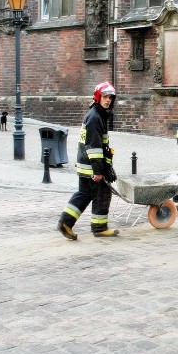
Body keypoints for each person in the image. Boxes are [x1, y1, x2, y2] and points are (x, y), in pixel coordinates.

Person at [57, 82, 120, 240]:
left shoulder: (96, 114)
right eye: (105, 97)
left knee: (84, 194)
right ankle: (99, 228)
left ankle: (65, 222)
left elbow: (100, 145)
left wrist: (106, 164)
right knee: (102, 194)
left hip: (86, 164)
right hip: (92, 166)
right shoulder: (95, 117)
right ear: (98, 97)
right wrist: (98, 171)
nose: (108, 100)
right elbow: (94, 147)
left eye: (110, 97)